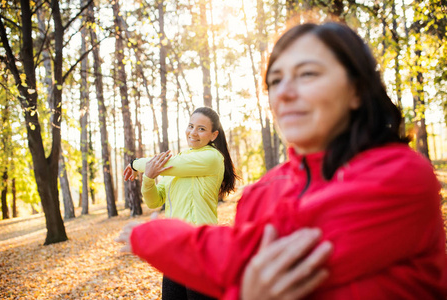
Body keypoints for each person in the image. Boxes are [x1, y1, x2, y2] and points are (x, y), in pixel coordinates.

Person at [117, 22, 447, 299]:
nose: (284, 92)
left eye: (307, 74)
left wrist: (149, 235)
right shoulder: (262, 193)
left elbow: (245, 258)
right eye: (275, 80)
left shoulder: (400, 178)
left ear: (357, 89)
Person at [122, 106, 239, 300]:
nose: (193, 133)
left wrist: (135, 164)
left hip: (201, 250)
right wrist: (149, 177)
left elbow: (164, 165)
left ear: (213, 135)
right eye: (191, 126)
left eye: (201, 129)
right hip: (174, 251)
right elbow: (154, 201)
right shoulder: (180, 162)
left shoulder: (211, 157)